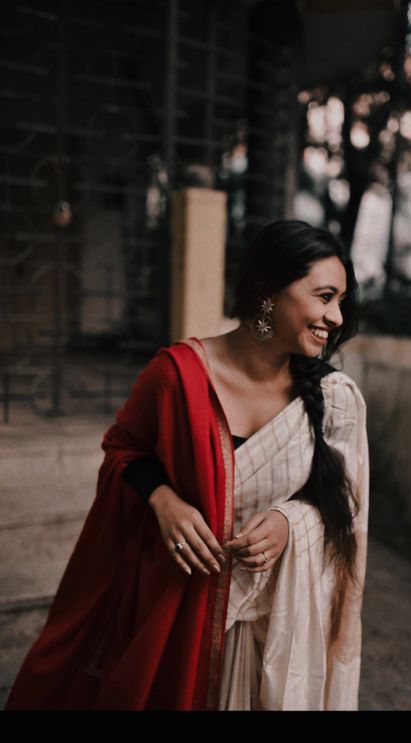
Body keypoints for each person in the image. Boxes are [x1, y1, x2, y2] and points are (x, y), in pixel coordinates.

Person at [4, 219, 369, 711]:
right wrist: (163, 499)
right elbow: (123, 449)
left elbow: (348, 507)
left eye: (341, 301)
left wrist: (290, 523)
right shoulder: (178, 375)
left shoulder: (333, 399)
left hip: (275, 639)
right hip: (178, 624)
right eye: (325, 296)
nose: (337, 316)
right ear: (266, 292)